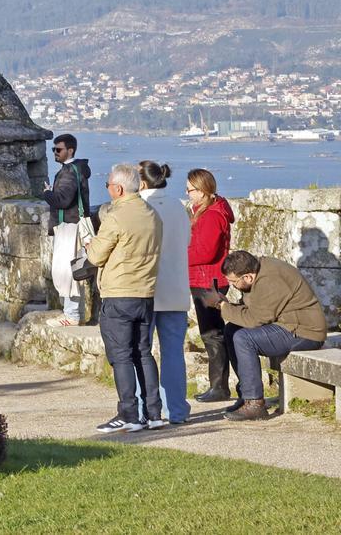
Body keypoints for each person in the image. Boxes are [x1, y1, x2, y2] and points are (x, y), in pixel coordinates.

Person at [84, 163, 164, 433]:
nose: (107, 188)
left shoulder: (116, 217)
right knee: (143, 352)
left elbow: (95, 256)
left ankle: (128, 413)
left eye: (108, 184)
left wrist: (90, 244)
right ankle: (154, 412)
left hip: (118, 293)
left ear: (117, 189)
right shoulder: (152, 214)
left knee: (120, 356)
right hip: (145, 292)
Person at [200, 251, 327, 421]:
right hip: (286, 325)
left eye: (234, 282)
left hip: (304, 331)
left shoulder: (270, 279)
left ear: (248, 277)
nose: (233, 285)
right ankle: (246, 396)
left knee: (244, 338)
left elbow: (254, 320)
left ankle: (255, 403)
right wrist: (227, 305)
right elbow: (254, 311)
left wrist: (220, 304)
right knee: (232, 330)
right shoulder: (258, 272)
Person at [137, 160, 192, 425]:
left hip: (145, 289)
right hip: (176, 288)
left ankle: (144, 409)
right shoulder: (178, 206)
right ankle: (177, 410)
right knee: (173, 353)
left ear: (142, 183)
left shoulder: (139, 207)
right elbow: (187, 241)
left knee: (140, 352)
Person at [185, 168, 236, 403]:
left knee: (212, 334)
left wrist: (177, 254)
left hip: (209, 281)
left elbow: (206, 252)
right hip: (204, 279)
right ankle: (219, 385)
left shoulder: (213, 216)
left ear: (204, 190)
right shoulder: (204, 211)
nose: (188, 194)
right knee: (212, 333)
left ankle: (219, 386)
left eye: (192, 190)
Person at [41, 133, 92, 326]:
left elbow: (62, 200)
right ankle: (74, 313)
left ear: (70, 150)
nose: (55, 152)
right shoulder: (76, 169)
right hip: (74, 225)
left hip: (69, 227)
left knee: (67, 272)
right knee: (75, 270)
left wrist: (47, 193)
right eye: (54, 149)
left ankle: (71, 315)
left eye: (58, 149)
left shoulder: (70, 171)